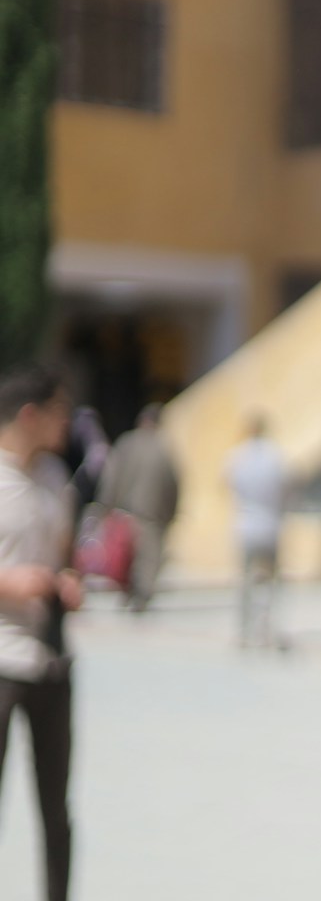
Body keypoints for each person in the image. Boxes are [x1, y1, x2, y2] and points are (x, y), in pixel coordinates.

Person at [0, 364, 84, 901]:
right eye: (60, 411)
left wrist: (67, 579)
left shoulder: (57, 480)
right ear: (30, 415)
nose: (67, 421)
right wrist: (10, 583)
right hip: (2, 661)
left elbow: (65, 554)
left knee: (56, 808)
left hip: (51, 660)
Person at [97, 402, 179, 611]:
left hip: (125, 510)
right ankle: (141, 596)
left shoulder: (126, 444)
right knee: (147, 559)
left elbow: (111, 477)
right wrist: (171, 514)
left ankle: (129, 592)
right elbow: (172, 485)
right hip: (152, 514)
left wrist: (106, 506)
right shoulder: (162, 450)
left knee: (127, 554)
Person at [224, 414, 289, 649]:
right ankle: (265, 631)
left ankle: (243, 632)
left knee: (245, 582)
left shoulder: (238, 456)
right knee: (269, 583)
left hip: (245, 525)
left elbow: (226, 484)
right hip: (270, 525)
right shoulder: (275, 456)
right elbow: (287, 487)